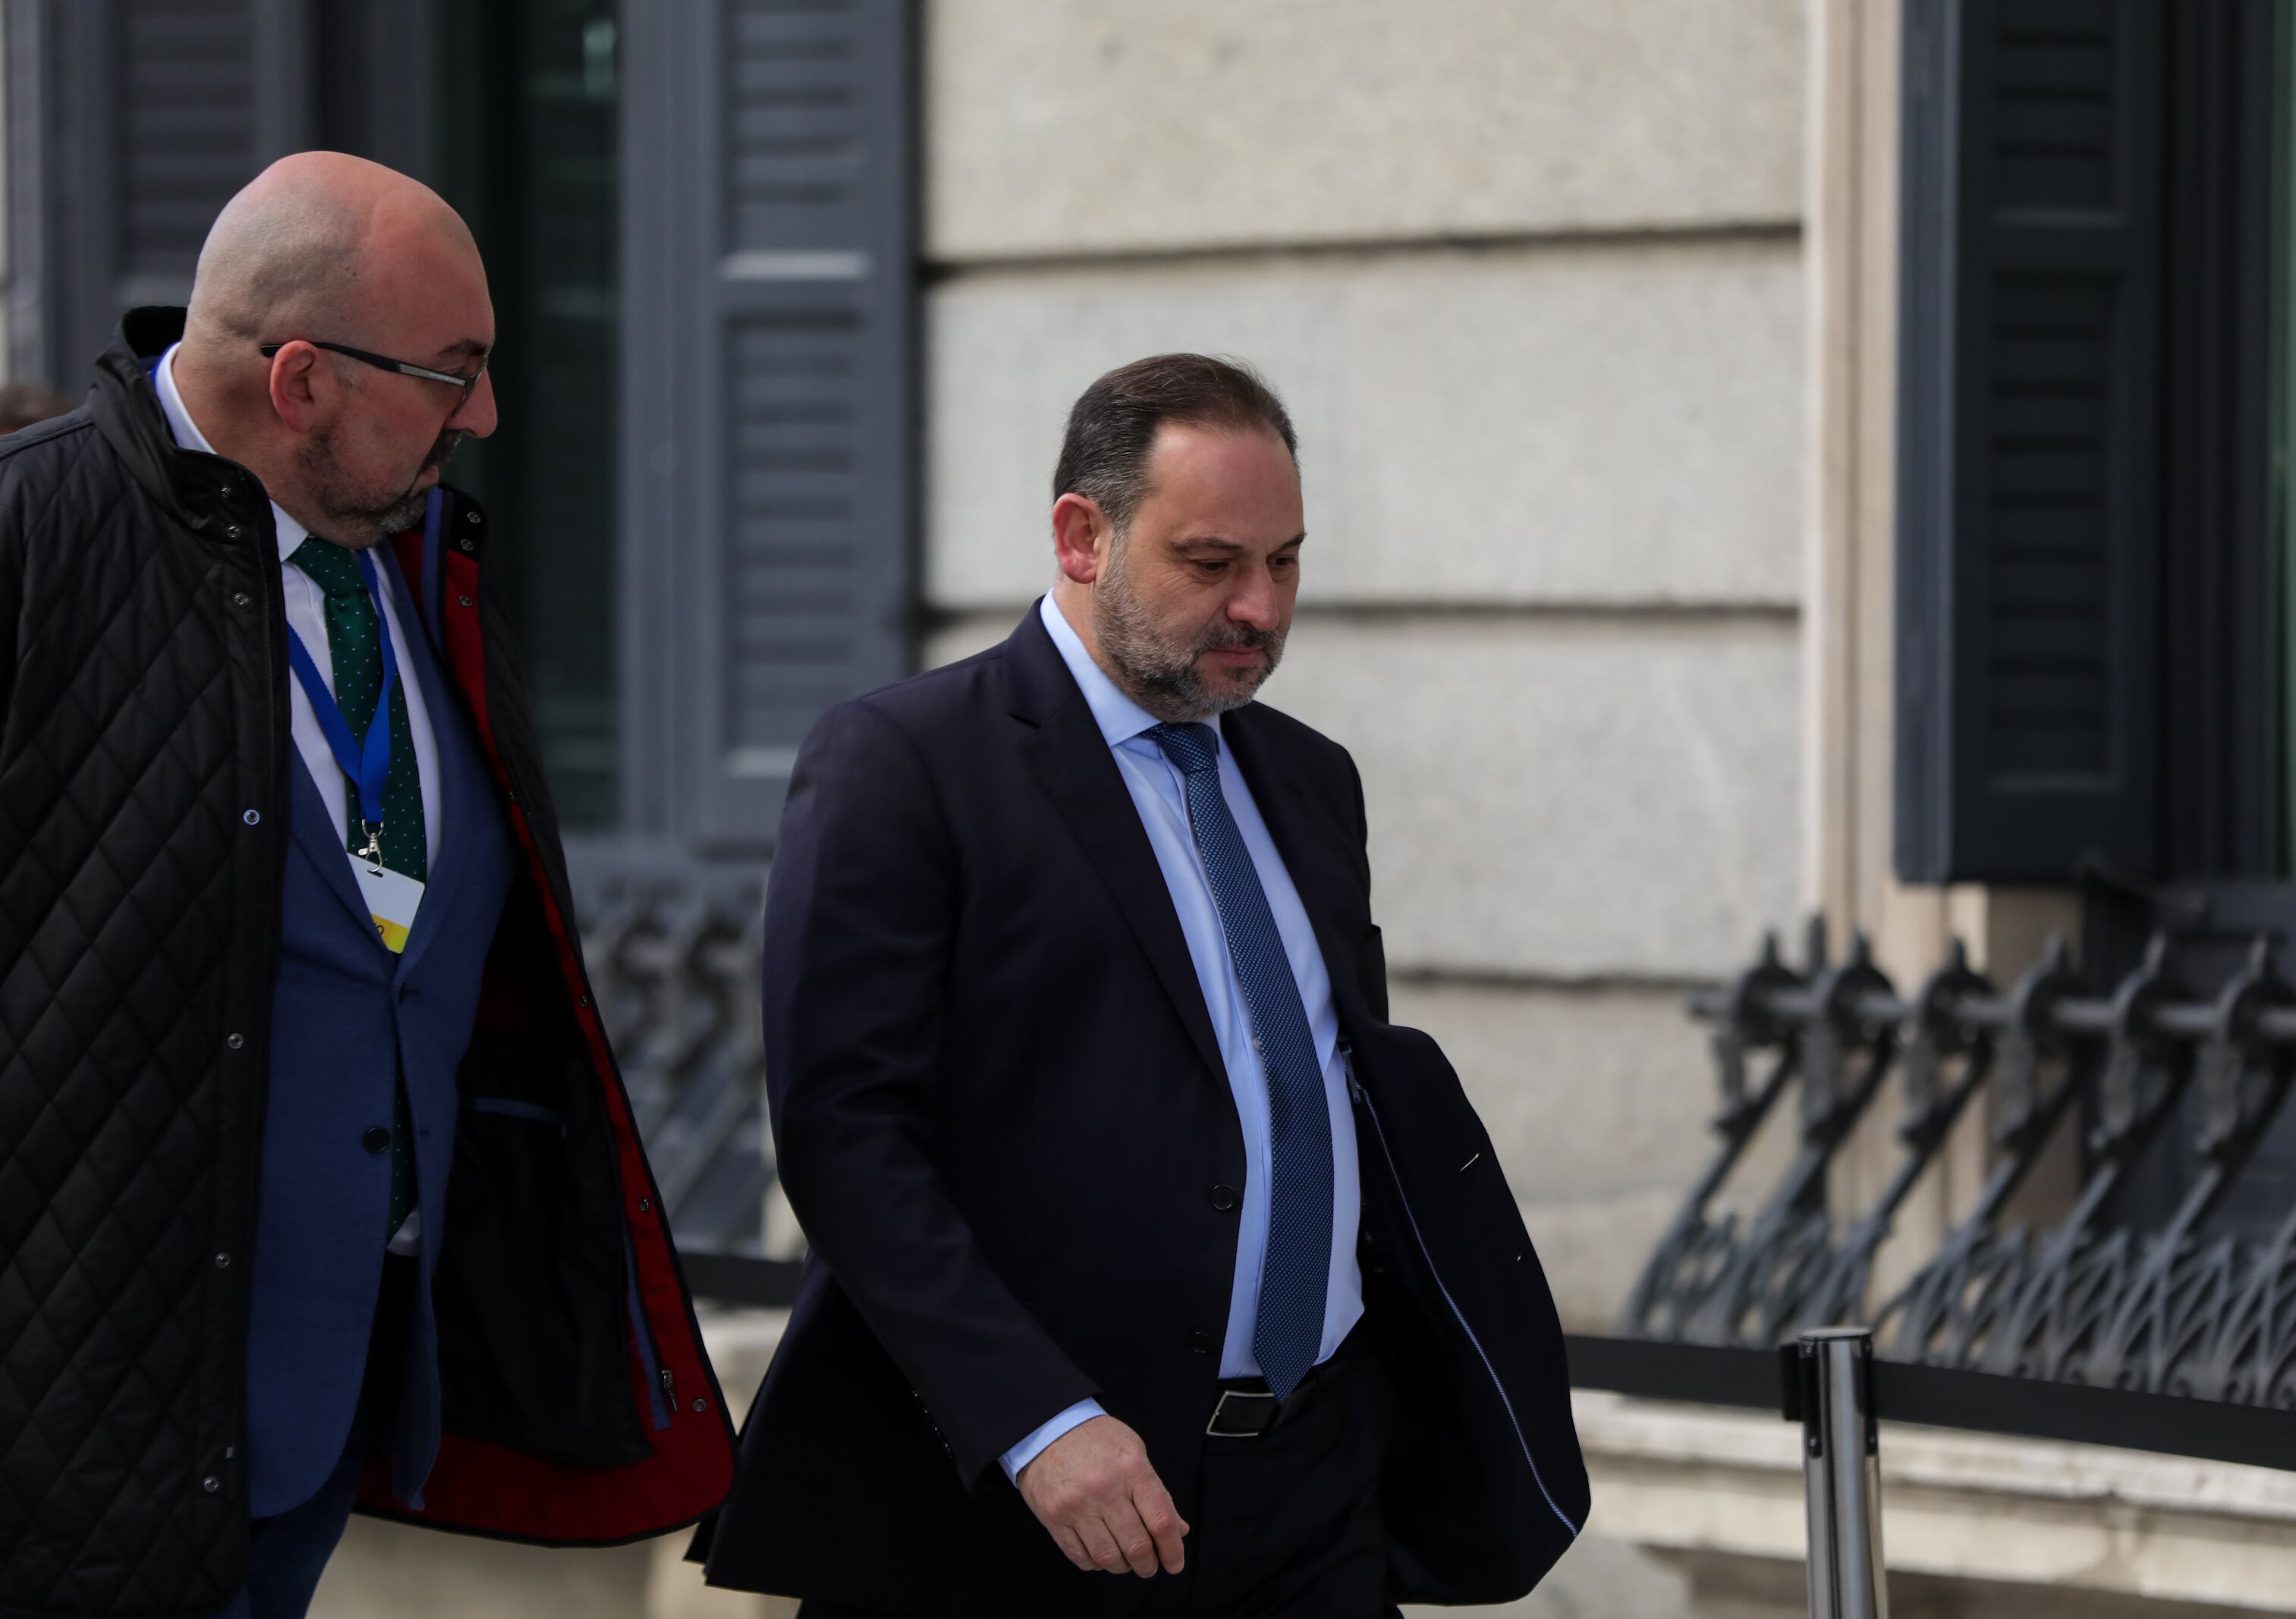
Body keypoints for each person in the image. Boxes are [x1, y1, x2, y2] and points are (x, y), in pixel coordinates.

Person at [699, 354, 1587, 1616]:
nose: (1260, 609)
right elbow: (845, 1140)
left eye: (1285, 562)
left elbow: (1316, 1089)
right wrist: (1038, 1420)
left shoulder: (1312, 779)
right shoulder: (905, 762)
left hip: (1312, 1481)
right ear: (1082, 536)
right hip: (1032, 1504)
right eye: (1212, 562)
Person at [0, 152, 734, 1619]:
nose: (487, 416)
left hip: (319, 1420)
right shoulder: (30, 539)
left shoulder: (423, 561)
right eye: (454, 371)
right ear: (300, 381)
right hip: (58, 1460)